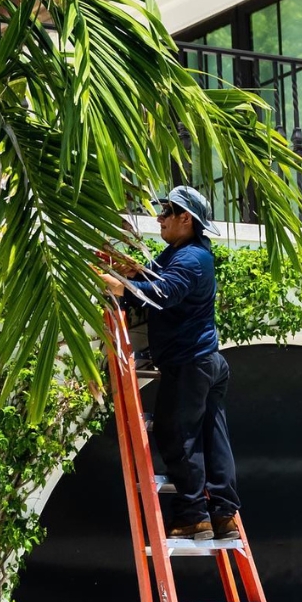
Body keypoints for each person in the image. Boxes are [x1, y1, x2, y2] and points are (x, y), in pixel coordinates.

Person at [100, 186, 240, 541]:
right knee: (212, 437)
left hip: (190, 364)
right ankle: (223, 513)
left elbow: (158, 294)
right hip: (206, 361)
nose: (159, 219)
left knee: (178, 436)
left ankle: (194, 515)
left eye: (166, 213)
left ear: (186, 219)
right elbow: (150, 277)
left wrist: (109, 283)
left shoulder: (191, 259)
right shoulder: (179, 253)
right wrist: (123, 269)